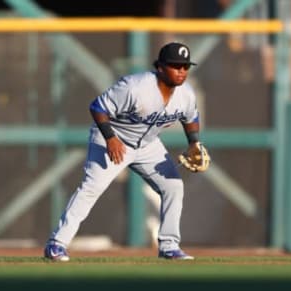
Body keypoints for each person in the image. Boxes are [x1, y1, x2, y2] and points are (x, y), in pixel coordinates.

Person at [43, 42, 207, 261]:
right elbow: (98, 107)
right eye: (175, 66)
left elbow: (191, 117)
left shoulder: (185, 94)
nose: (181, 71)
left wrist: (194, 142)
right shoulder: (135, 87)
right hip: (112, 137)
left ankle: (169, 246)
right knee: (91, 188)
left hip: (148, 145)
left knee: (173, 186)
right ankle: (56, 244)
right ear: (160, 67)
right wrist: (110, 138)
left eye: (185, 66)